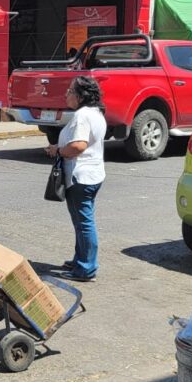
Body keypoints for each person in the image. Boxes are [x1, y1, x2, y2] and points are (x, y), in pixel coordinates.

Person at [45, 76, 107, 282]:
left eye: (71, 91)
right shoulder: (96, 113)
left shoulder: (82, 115)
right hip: (93, 174)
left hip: (82, 176)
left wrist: (58, 150)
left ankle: (86, 268)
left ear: (81, 97)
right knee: (82, 221)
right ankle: (81, 259)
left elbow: (78, 146)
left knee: (84, 223)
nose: (67, 94)